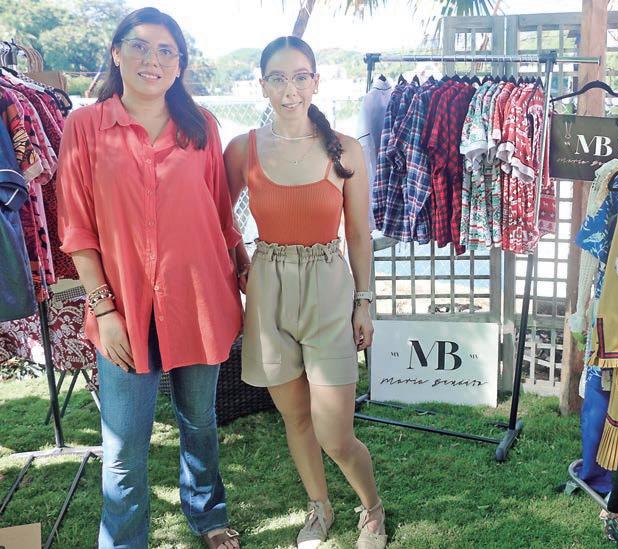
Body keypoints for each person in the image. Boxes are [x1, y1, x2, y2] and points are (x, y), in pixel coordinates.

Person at [56, 8, 243, 549]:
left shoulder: (202, 125)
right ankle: (123, 541)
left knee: (200, 421)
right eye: (139, 46)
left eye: (166, 51)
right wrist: (104, 310)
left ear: (179, 64)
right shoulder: (85, 127)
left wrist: (245, 270)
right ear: (116, 53)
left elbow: (220, 215)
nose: (152, 60)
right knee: (123, 445)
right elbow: (76, 228)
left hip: (199, 301)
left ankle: (208, 516)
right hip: (122, 310)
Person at [224, 36, 387, 549]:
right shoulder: (243, 148)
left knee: (335, 432)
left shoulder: (346, 149)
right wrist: (241, 260)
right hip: (269, 290)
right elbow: (219, 217)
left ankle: (372, 508)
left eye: (300, 77)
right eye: (277, 78)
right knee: (294, 417)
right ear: (262, 85)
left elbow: (358, 234)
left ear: (316, 81)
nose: (289, 89)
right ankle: (320, 507)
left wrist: (364, 302)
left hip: (328, 289)